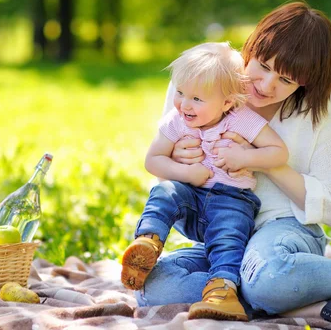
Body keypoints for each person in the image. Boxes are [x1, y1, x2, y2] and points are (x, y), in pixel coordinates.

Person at [134, 1, 331, 330]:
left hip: (283, 229)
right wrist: (180, 158)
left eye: (286, 80)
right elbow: (162, 168)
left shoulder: (320, 107)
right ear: (252, 46)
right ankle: (313, 302)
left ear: (306, 83)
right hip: (222, 234)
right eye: (263, 65)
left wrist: (263, 159)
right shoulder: (202, 76)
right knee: (151, 287)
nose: (267, 85)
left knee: (267, 278)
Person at [120, 42, 289, 322]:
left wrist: (243, 158)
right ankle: (147, 243)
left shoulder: (241, 119)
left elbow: (279, 152)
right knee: (164, 191)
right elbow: (153, 160)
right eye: (181, 93)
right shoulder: (178, 121)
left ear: (226, 103)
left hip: (232, 199)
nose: (185, 104)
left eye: (197, 99)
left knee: (228, 237)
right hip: (191, 197)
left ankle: (222, 291)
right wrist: (185, 174)